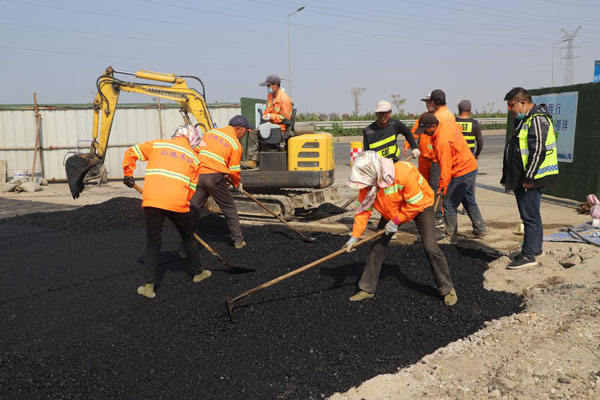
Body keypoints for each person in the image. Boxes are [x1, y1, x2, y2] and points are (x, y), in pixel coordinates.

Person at [343, 151, 457, 306]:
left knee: (430, 247)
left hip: (421, 205)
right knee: (377, 246)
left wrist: (396, 221)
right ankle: (367, 288)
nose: (365, 186)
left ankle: (447, 289)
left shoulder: (402, 173)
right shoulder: (367, 185)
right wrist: (354, 236)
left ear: (375, 172)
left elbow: (415, 203)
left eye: (367, 183)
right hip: (392, 209)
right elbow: (363, 211)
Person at [122, 124, 211, 299]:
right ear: (191, 139)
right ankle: (199, 273)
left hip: (152, 200)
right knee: (188, 237)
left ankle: (148, 287)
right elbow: (191, 188)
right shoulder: (194, 158)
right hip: (177, 202)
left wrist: (128, 173)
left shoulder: (157, 145)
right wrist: (182, 204)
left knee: (153, 242)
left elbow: (131, 152)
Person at [502, 87, 558, 269]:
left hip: (532, 177)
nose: (509, 109)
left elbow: (538, 150)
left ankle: (528, 256)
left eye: (511, 105)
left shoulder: (537, 119)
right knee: (532, 214)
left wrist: (529, 176)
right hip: (526, 176)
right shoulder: (525, 119)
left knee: (529, 216)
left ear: (522, 103)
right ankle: (535, 249)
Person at [416, 112, 486, 244]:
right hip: (470, 166)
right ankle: (480, 229)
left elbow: (445, 166)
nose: (424, 133)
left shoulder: (442, 141)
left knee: (448, 203)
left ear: (433, 126)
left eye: (425, 130)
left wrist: (443, 186)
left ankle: (450, 237)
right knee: (468, 199)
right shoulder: (445, 125)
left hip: (462, 171)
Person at [190, 115, 253, 249]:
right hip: (214, 178)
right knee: (229, 209)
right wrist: (236, 184)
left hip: (199, 176)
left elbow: (196, 151)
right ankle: (238, 241)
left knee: (193, 211)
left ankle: (185, 247)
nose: (244, 135)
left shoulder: (210, 133)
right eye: (245, 131)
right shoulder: (235, 144)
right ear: (239, 129)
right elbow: (234, 170)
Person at [403, 93, 443, 226]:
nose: (428, 105)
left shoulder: (440, 118)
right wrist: (407, 145)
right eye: (426, 103)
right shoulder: (423, 117)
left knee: (435, 187)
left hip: (435, 159)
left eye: (430, 102)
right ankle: (425, 211)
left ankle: (438, 214)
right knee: (422, 186)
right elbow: (414, 132)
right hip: (424, 159)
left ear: (435, 102)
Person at [242, 74, 293, 169]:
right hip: (270, 125)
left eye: (268, 85)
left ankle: (253, 161)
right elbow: (268, 109)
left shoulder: (284, 99)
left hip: (279, 128)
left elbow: (286, 118)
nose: (267, 88)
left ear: (276, 85)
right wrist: (265, 116)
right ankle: (255, 159)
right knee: (254, 131)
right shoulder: (270, 95)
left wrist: (271, 116)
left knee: (254, 133)